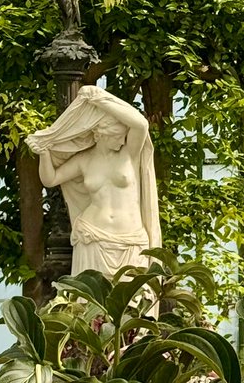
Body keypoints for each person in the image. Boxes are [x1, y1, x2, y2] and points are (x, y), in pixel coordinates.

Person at [26, 85, 161, 277]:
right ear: (100, 134)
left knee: (135, 293)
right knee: (90, 295)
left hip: (131, 238)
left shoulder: (129, 154)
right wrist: (44, 153)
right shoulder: (84, 160)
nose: (122, 141)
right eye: (117, 137)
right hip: (92, 237)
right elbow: (50, 179)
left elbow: (140, 124)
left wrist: (99, 99)